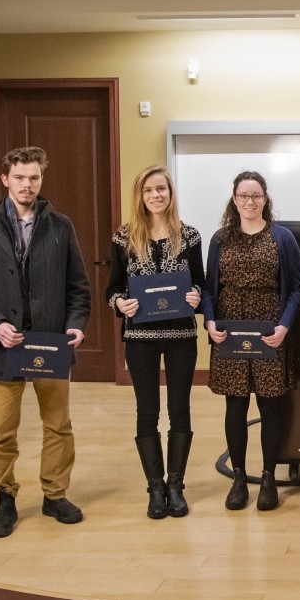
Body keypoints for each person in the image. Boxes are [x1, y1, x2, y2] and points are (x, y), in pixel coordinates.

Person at [0, 146, 91, 538]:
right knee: (2, 432)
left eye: (34, 177)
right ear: (5, 179)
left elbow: (78, 287)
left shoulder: (61, 227)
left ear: (41, 179)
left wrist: (76, 325)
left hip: (51, 343)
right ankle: (4, 498)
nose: (27, 184)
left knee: (58, 426)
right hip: (5, 345)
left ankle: (55, 495)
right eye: (19, 177)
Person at [106, 165, 205, 520]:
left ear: (170, 193)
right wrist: (120, 303)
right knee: (147, 411)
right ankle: (155, 488)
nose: (155, 195)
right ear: (140, 195)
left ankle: (176, 484)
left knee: (180, 409)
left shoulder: (189, 236)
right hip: (140, 339)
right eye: (148, 190)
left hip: (181, 337)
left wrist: (196, 295)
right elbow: (113, 289)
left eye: (161, 189)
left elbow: (201, 283)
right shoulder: (123, 238)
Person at [203, 171, 300, 512]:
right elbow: (209, 289)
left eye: (256, 195)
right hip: (230, 331)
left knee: (269, 406)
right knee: (235, 406)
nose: (250, 201)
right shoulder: (220, 239)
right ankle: (239, 478)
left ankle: (269, 477)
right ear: (234, 200)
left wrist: (284, 326)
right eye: (244, 196)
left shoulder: (282, 237)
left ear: (265, 199)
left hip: (269, 333)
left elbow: (296, 289)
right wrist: (210, 322)